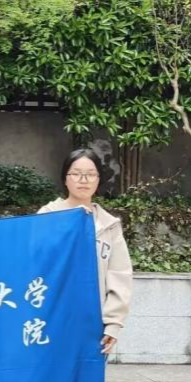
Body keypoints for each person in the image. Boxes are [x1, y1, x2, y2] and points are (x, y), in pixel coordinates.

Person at [38, 148, 133, 356]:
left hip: (93, 323)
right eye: (76, 173)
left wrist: (113, 324)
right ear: (65, 178)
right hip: (51, 317)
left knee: (87, 375)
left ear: (98, 180)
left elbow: (120, 275)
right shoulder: (46, 217)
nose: (84, 180)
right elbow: (36, 262)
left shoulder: (109, 225)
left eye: (91, 174)